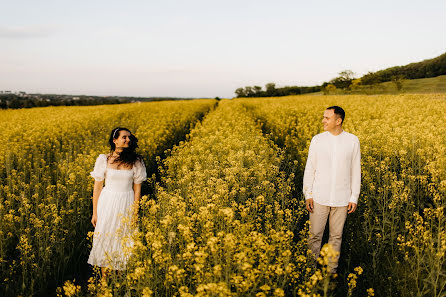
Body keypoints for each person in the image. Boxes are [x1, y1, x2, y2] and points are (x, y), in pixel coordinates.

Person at [302, 106, 361, 274]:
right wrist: (308, 194)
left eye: (327, 118)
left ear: (338, 121)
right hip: (319, 197)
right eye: (323, 117)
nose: (323, 121)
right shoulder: (317, 140)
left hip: (342, 199)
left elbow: (355, 171)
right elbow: (310, 169)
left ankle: (331, 273)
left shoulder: (352, 141)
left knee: (336, 237)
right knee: (314, 236)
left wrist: (354, 197)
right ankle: (310, 271)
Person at [88, 127, 147, 281]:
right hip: (107, 203)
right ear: (115, 141)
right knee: (105, 238)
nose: (128, 140)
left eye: (129, 137)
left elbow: (137, 189)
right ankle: (105, 282)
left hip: (126, 201)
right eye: (124, 137)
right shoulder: (104, 159)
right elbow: (98, 187)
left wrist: (135, 212)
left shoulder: (136, 161)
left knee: (124, 239)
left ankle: (120, 280)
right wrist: (95, 212)